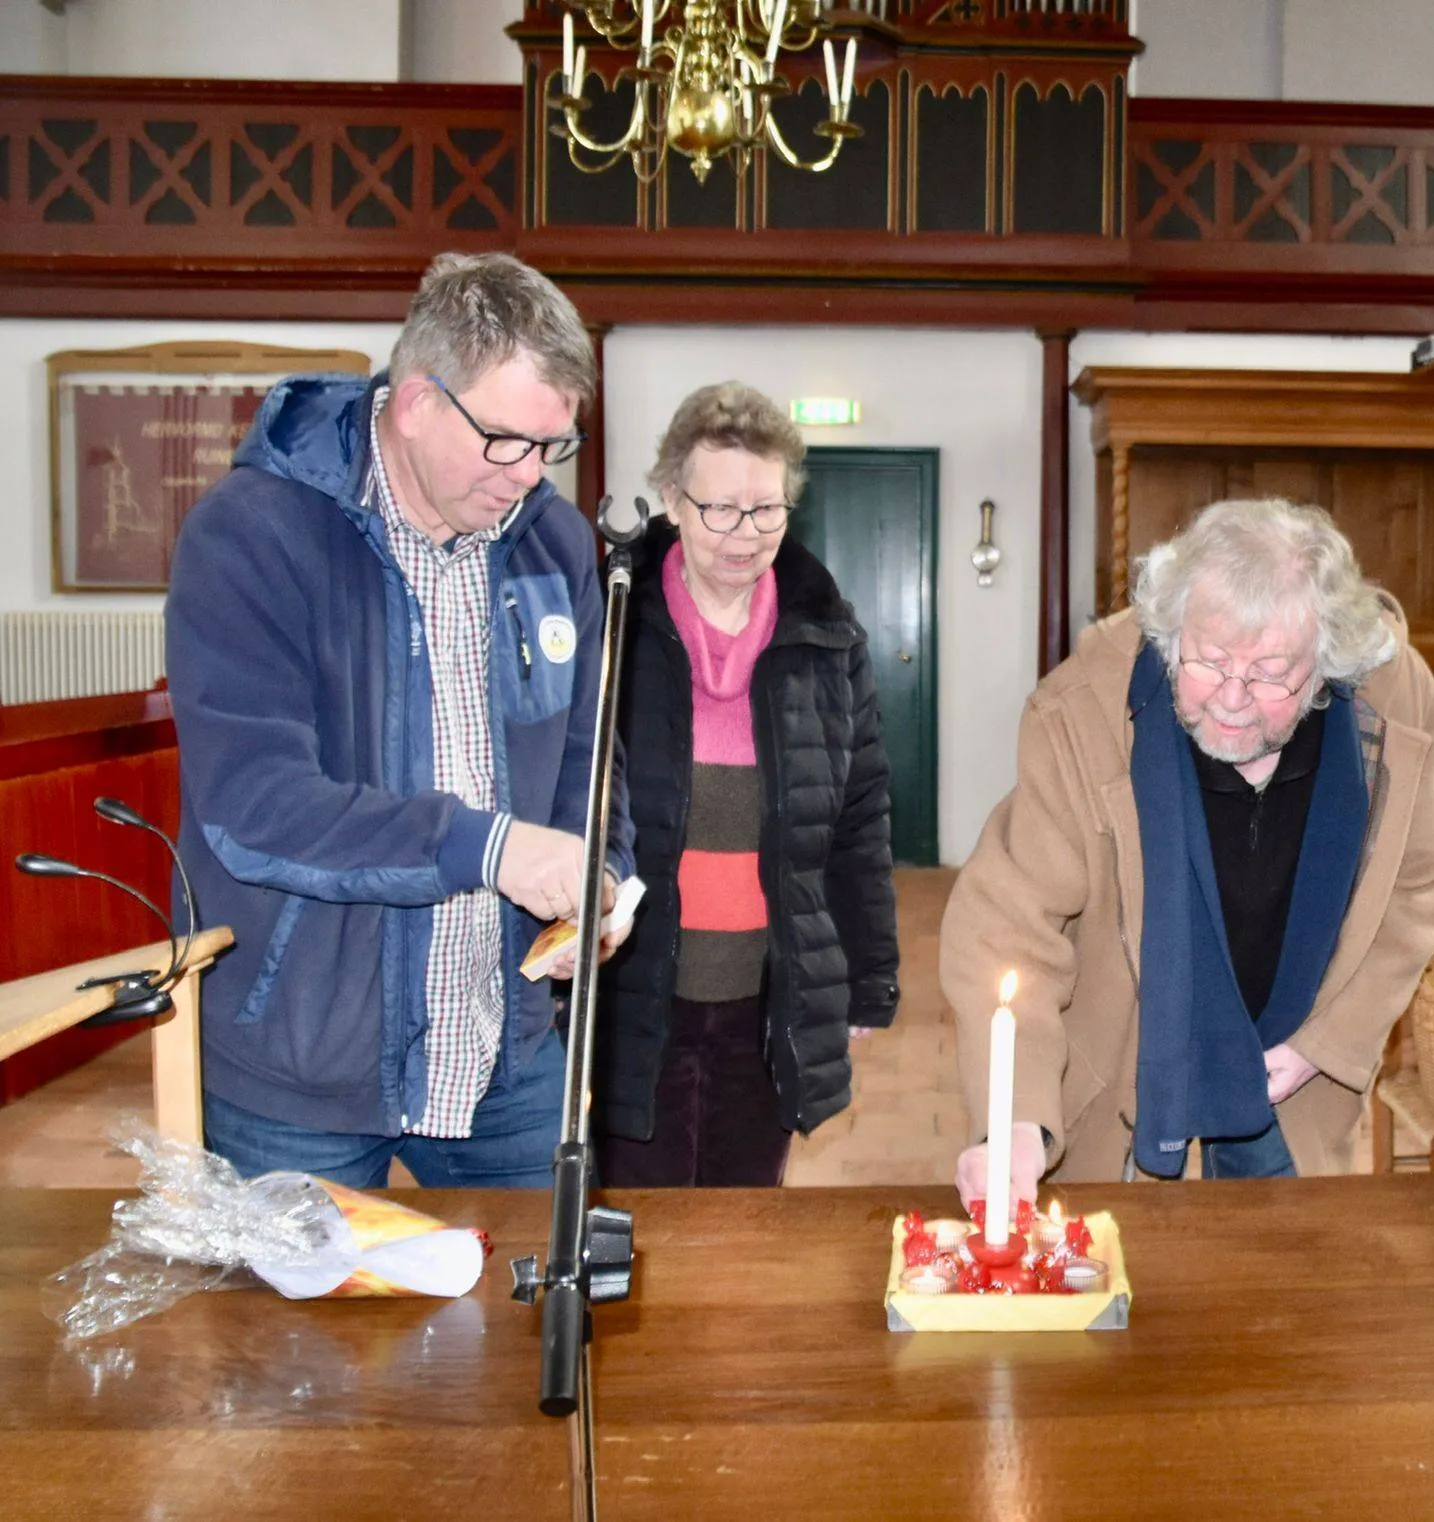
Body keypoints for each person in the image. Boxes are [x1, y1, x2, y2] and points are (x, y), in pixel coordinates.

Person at [166, 251, 634, 1188]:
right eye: (507, 440)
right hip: (302, 1063)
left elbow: (591, 759)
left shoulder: (555, 543)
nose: (530, 475)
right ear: (416, 403)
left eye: (553, 446)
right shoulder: (249, 535)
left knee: (539, 1322)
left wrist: (601, 876)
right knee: (294, 1340)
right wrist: (494, 849)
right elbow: (253, 807)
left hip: (502, 1044)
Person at [945, 498, 1434, 1206]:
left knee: (1272, 1287)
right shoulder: (1085, 711)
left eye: (1271, 673)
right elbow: (1006, 921)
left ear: (1326, 663)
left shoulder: (1391, 701)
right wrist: (1014, 1119)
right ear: (1171, 632)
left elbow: (1422, 875)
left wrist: (1333, 1039)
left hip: (1294, 1060)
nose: (1231, 699)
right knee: (1113, 1283)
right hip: (1124, 1055)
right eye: (1209, 662)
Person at [592, 381, 899, 1186]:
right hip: (638, 995)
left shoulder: (826, 636)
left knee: (745, 1226)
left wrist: (865, 981)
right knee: (635, 1226)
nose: (745, 534)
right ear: (671, 499)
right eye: (721, 509)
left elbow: (859, 818)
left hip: (769, 997)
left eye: (767, 510)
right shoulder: (615, 619)